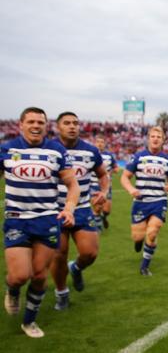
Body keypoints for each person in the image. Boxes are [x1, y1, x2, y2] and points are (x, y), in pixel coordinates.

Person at [1, 107, 79, 338]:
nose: (36, 126)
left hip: (46, 220)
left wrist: (69, 208)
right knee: (19, 275)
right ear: (21, 124)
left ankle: (29, 322)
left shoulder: (56, 150)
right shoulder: (7, 149)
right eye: (31, 121)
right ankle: (13, 289)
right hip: (16, 220)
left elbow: (72, 184)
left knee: (39, 276)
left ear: (46, 126)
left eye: (40, 122)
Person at [50, 112, 110, 310]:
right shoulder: (48, 149)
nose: (72, 126)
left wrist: (103, 191)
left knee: (90, 253)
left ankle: (75, 268)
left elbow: (103, 174)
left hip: (83, 208)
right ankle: (61, 293)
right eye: (67, 123)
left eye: (75, 123)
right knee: (60, 253)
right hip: (54, 210)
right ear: (58, 127)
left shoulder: (90, 151)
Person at [120, 126, 168, 276]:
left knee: (152, 233)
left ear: (163, 140)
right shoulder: (138, 157)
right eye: (153, 136)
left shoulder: (167, 159)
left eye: (159, 136)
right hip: (140, 202)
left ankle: (144, 266)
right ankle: (139, 242)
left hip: (159, 201)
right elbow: (125, 177)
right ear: (148, 139)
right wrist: (131, 190)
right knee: (137, 236)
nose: (156, 139)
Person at [89, 134, 119, 230]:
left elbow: (116, 168)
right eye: (98, 142)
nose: (100, 144)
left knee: (106, 210)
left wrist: (112, 171)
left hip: (106, 186)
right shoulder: (91, 154)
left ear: (104, 144)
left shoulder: (109, 156)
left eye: (102, 142)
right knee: (97, 208)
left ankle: (104, 217)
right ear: (95, 143)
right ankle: (98, 229)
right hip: (94, 184)